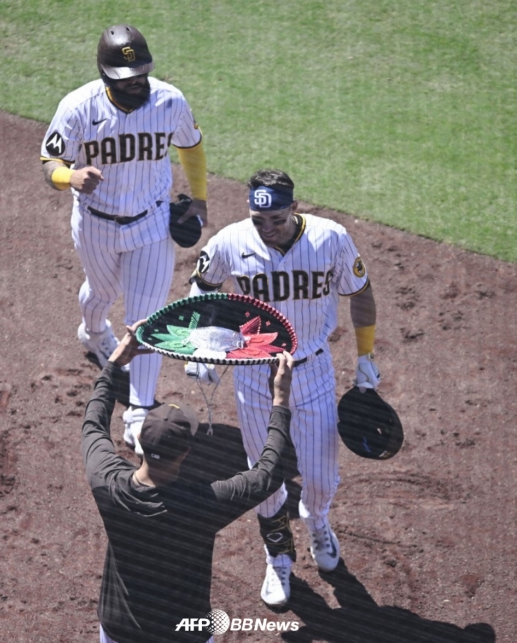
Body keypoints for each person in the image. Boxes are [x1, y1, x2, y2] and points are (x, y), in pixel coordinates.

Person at [185, 168, 381, 608]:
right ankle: (277, 554)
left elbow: (361, 292)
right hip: (254, 373)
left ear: (294, 207)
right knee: (265, 474)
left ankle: (317, 522)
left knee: (321, 476)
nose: (268, 228)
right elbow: (200, 291)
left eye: (276, 218)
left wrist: (365, 355)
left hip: (312, 371)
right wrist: (201, 347)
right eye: (259, 220)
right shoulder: (230, 242)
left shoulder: (330, 239)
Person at [40, 24, 208, 455]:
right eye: (126, 78)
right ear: (105, 74)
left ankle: (138, 410)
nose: (136, 83)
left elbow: (191, 146)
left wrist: (200, 199)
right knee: (102, 292)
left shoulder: (169, 100)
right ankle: (94, 333)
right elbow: (50, 161)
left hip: (151, 224)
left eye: (141, 74)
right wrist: (70, 176)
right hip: (95, 224)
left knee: (147, 318)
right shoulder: (78, 107)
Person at [82, 319, 296, 643]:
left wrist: (114, 363)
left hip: (119, 629)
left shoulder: (108, 482)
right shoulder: (203, 503)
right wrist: (279, 401)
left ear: (139, 439)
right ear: (185, 453)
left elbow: (93, 424)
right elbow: (267, 474)